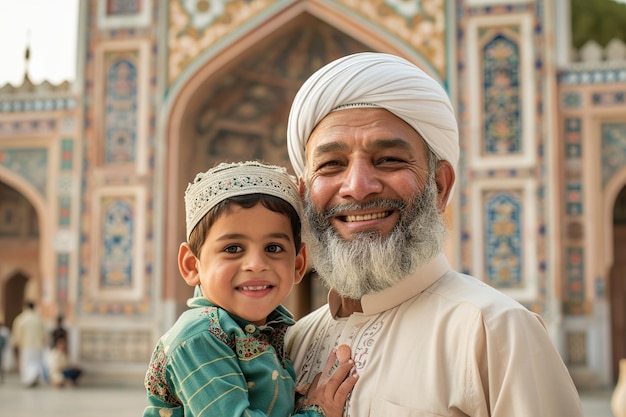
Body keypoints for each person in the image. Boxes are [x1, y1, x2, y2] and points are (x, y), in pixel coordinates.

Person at [284, 52, 584, 416]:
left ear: (439, 185)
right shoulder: (294, 343)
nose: (358, 187)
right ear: (304, 195)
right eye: (332, 164)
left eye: (389, 160)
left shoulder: (491, 331)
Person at [143, 161, 358, 417]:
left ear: (298, 264)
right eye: (233, 248)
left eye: (273, 248)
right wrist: (318, 412)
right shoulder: (199, 338)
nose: (256, 265)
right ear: (192, 265)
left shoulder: (274, 330)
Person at [10, 301, 48, 387]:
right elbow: (44, 333)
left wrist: (16, 343)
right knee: (36, 362)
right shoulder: (38, 319)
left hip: (26, 345)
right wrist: (44, 342)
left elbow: (17, 333)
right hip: (38, 345)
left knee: (27, 363)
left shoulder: (21, 319)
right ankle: (34, 377)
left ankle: (29, 379)